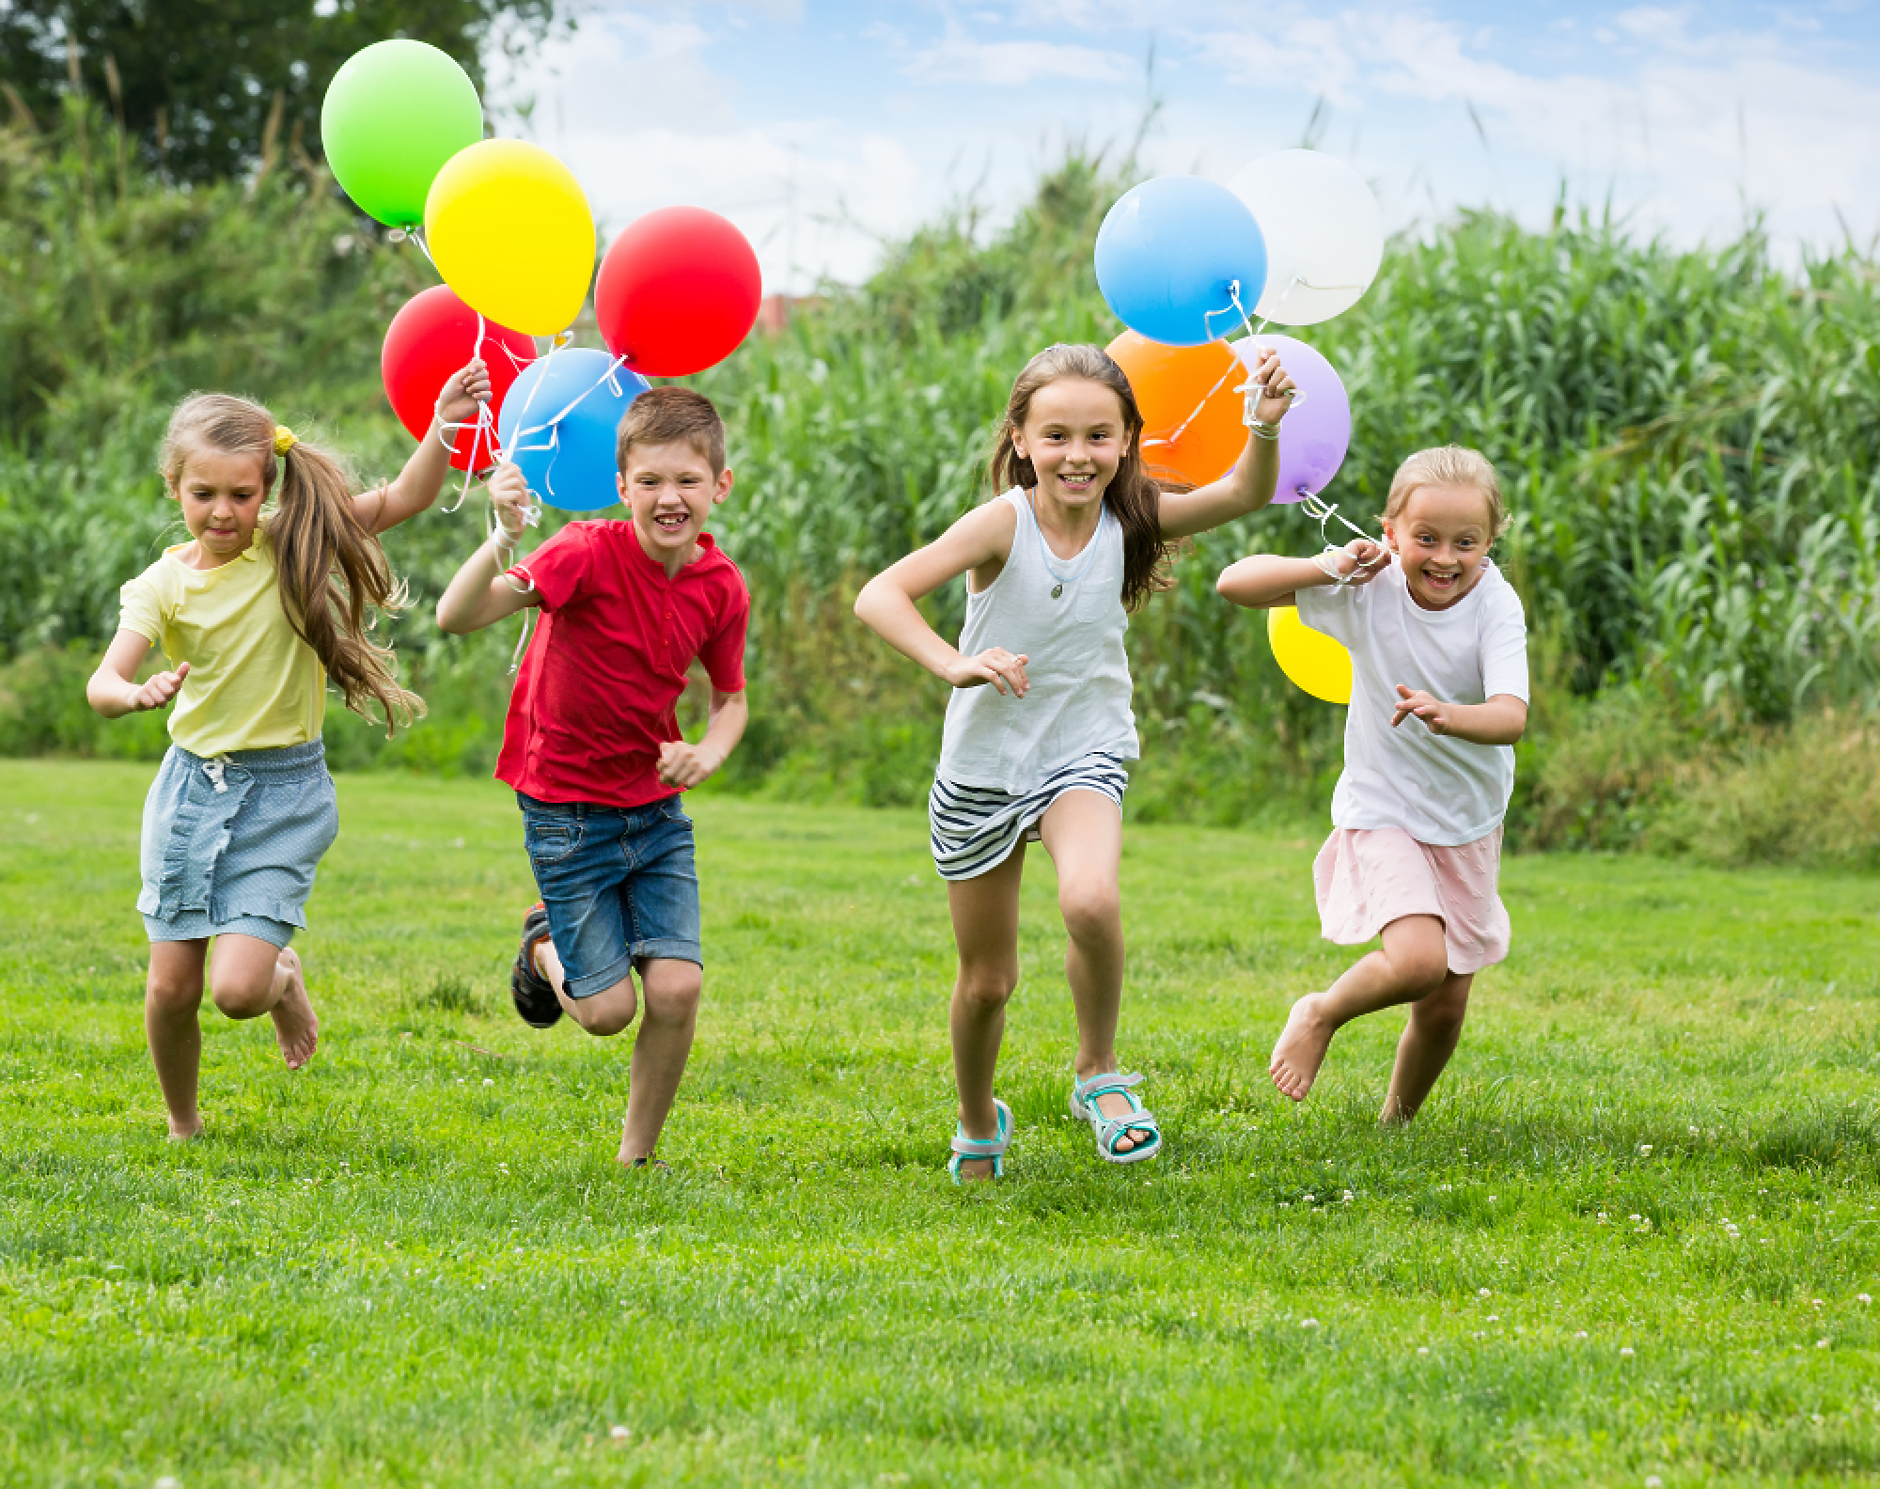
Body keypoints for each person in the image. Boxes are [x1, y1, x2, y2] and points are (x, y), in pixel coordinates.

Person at [854, 340, 1298, 1181]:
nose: (1077, 454)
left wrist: (1261, 424)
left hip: (1082, 751)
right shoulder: (1003, 522)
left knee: (1091, 899)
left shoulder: (1131, 517)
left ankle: (1099, 1072)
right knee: (988, 981)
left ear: (1128, 438)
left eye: (1099, 435)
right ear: (1020, 438)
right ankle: (978, 1116)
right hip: (984, 766)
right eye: (1055, 435)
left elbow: (1243, 491)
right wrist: (954, 661)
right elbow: (880, 593)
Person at [87, 360, 493, 1140]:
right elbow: (106, 677)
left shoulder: (293, 540)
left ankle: (281, 981)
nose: (222, 511)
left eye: (242, 494)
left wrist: (444, 421)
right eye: (202, 494)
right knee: (172, 987)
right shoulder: (159, 586)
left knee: (235, 991)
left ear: (267, 489)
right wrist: (129, 696)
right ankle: (183, 1123)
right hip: (189, 795)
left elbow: (406, 497)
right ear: (173, 485)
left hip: (284, 793)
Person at [437, 386, 750, 1171]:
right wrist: (503, 537)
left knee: (676, 989)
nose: (668, 498)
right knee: (607, 1012)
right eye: (649, 481)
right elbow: (457, 615)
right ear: (623, 487)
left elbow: (731, 701)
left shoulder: (722, 588)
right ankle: (542, 943)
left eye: (686, 480)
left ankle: (634, 1159)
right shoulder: (582, 552)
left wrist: (705, 754)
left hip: (654, 809)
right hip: (565, 805)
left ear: (721, 485)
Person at [1216, 445, 1529, 1122]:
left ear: (1490, 540)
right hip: (1383, 807)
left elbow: (1510, 716)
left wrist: (1450, 715)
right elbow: (1234, 584)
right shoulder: (1370, 585)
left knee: (1443, 1006)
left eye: (1465, 542)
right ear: (1390, 528)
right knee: (1417, 960)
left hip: (1468, 818)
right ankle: (1321, 1012)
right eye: (1426, 538)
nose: (1445, 557)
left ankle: (1396, 1125)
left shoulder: (1496, 606)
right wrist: (1328, 565)